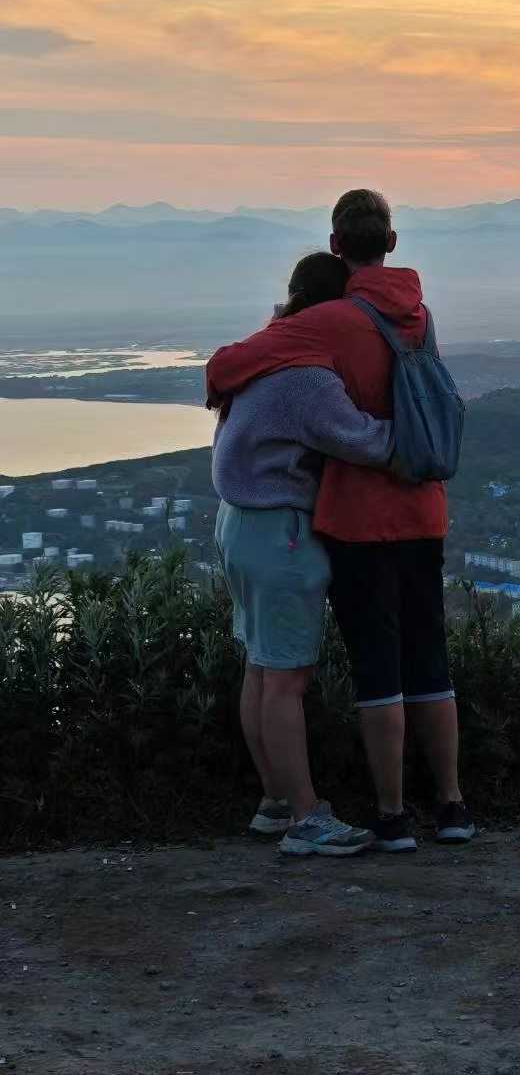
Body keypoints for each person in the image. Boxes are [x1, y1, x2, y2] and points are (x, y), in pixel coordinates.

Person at [207, 191, 474, 852]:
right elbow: (383, 419)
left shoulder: (323, 326)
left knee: (341, 668)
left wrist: (224, 377)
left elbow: (229, 364)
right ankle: (445, 805)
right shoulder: (418, 314)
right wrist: (417, 452)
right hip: (406, 512)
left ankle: (379, 814)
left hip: (329, 521)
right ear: (391, 240)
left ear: (336, 244)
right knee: (424, 660)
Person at [212, 251, 395, 857]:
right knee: (286, 679)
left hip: (239, 524)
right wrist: (417, 432)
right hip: (282, 534)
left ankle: (275, 801)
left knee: (262, 669)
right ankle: (307, 819)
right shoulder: (305, 376)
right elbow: (361, 440)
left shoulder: (259, 356)